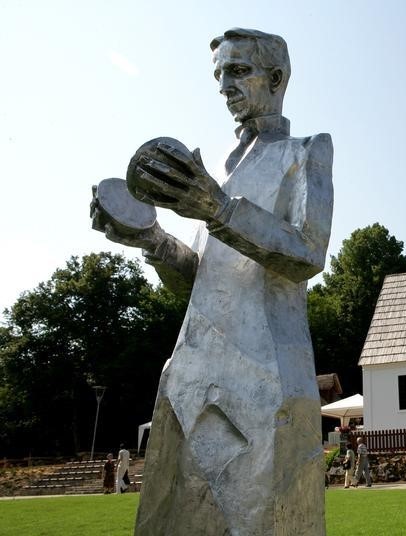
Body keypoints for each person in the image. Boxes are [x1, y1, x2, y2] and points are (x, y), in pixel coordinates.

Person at [93, 29, 333, 535]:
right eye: (219, 74)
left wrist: (220, 209)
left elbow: (307, 253)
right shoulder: (215, 171)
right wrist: (152, 239)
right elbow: (203, 281)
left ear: (277, 77)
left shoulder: (306, 150)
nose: (224, 85)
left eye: (238, 71)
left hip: (266, 377)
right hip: (187, 374)